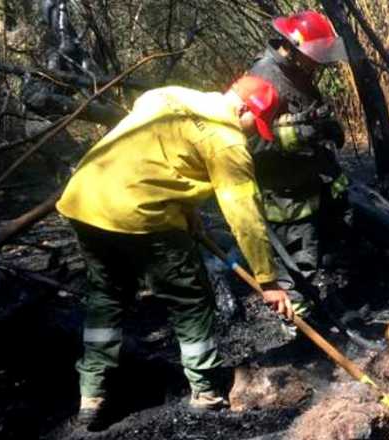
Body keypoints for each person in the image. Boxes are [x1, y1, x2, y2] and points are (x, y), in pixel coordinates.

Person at [57, 75, 295, 429]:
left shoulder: (169, 94)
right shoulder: (226, 141)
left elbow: (156, 154)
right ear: (243, 108)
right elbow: (244, 217)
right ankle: (207, 390)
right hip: (140, 214)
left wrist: (188, 207)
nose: (250, 133)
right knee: (191, 299)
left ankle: (92, 391)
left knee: (107, 297)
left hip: (85, 200)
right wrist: (268, 279)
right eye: (253, 124)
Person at [247, 10, 348, 326]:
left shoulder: (298, 75)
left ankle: (322, 311)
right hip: (285, 198)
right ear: (291, 46)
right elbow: (250, 144)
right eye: (314, 57)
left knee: (318, 256)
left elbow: (311, 120)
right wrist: (302, 132)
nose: (318, 64)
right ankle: (301, 334)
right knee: (297, 268)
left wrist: (325, 127)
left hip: (309, 185)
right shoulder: (262, 78)